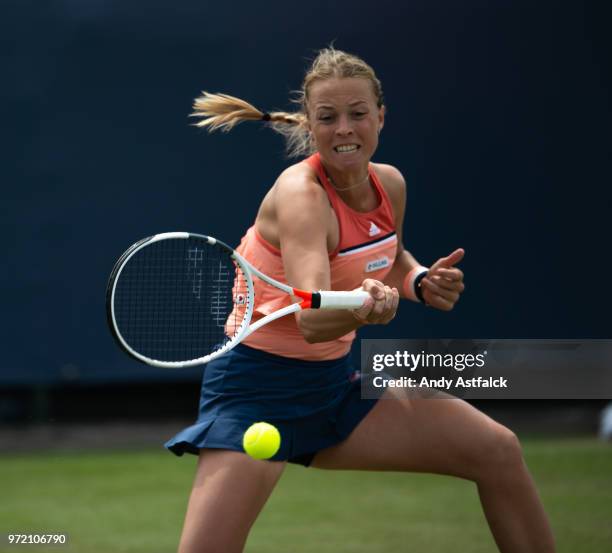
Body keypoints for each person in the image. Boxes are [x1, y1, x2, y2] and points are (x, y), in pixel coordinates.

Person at [165, 47, 556, 553]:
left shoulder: (388, 183)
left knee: (497, 450)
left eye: (358, 114)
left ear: (380, 117)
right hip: (254, 390)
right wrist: (367, 307)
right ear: (310, 123)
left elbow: (385, 255)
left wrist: (417, 281)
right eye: (328, 118)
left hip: (334, 387)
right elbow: (311, 317)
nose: (344, 128)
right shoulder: (301, 195)